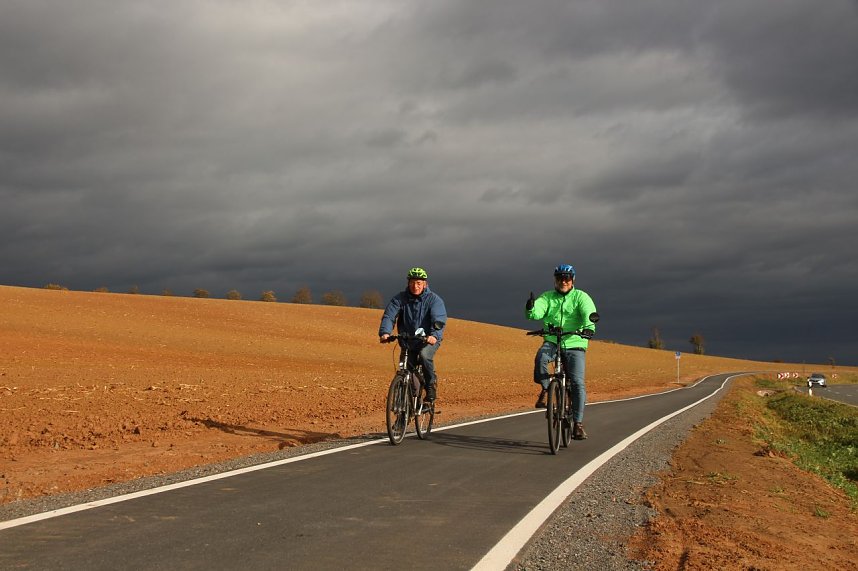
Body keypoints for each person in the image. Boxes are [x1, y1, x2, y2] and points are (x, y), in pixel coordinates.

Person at [525, 263, 598, 440]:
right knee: (541, 358)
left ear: (572, 280)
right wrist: (531, 308)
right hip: (552, 340)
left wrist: (589, 328)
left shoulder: (581, 297)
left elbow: (590, 314)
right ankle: (547, 390)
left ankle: (578, 424)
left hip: (575, 342)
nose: (563, 281)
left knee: (578, 383)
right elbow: (537, 312)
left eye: (566, 278)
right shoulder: (548, 297)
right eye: (560, 278)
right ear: (555, 280)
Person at [379, 267, 447, 408]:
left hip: (428, 340)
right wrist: (385, 332)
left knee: (424, 355)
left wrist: (434, 335)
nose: (415, 286)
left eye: (418, 283)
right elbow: (389, 315)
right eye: (412, 282)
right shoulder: (400, 299)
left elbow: (438, 319)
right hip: (408, 340)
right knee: (405, 372)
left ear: (425, 284)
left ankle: (430, 387)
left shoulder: (434, 300)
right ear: (408, 283)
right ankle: (404, 412)